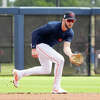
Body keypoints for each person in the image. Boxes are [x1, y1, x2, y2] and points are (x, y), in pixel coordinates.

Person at [13, 11, 76, 94]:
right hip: (39, 44)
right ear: (63, 20)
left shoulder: (70, 33)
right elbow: (35, 33)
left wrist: (70, 54)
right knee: (60, 60)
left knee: (46, 69)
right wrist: (33, 48)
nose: (71, 22)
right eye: (69, 20)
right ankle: (56, 88)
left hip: (46, 47)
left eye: (72, 21)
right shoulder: (52, 26)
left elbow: (66, 47)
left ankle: (19, 73)